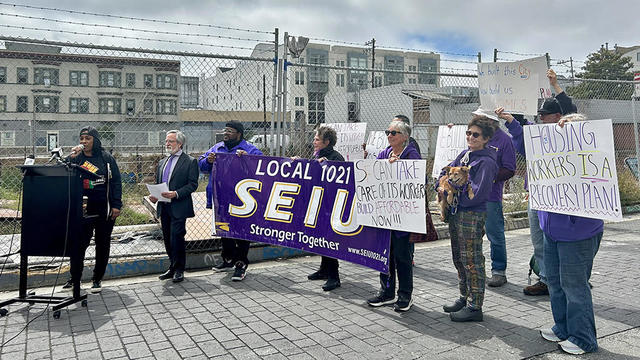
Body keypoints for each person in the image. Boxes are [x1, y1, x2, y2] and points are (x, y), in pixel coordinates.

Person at [497, 68, 577, 296]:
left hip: (562, 195)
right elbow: (520, 135)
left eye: (544, 115)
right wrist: (511, 119)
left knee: (559, 241)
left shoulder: (569, 132)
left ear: (558, 117)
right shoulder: (536, 135)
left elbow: (572, 112)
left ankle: (567, 278)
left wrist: (556, 87)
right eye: (539, 115)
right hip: (537, 194)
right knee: (539, 241)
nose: (540, 118)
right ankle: (546, 279)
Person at [537, 113, 602, 355]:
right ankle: (563, 327)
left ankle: (583, 338)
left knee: (574, 286)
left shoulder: (591, 158)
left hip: (578, 233)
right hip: (552, 231)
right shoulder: (553, 156)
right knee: (554, 281)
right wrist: (513, 121)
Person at [438, 115, 498, 322]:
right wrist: (443, 184)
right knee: (459, 258)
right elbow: (445, 173)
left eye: (476, 135)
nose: (471, 137)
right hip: (457, 213)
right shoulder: (465, 155)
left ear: (486, 138)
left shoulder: (486, 162)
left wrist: (452, 192)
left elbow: (478, 194)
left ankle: (475, 306)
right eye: (468, 133)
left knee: (472, 259)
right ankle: (464, 296)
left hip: (471, 214)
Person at [366, 119, 421, 312]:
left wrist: (397, 167)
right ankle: (387, 292)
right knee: (385, 254)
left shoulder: (410, 153)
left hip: (402, 216)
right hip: (385, 214)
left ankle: (405, 295)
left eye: (393, 133)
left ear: (404, 137)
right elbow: (372, 173)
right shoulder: (384, 153)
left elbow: (415, 179)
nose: (389, 135)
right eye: (387, 132)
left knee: (402, 255)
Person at [198, 120, 263, 281]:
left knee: (241, 232)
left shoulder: (249, 149)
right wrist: (208, 161)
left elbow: (262, 165)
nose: (226, 133)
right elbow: (201, 164)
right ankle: (228, 260)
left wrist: (248, 159)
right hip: (221, 196)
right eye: (225, 130)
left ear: (239, 134)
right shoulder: (217, 148)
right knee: (223, 229)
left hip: (240, 199)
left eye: (230, 131)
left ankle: (240, 264)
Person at [64, 126, 122, 294]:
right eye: (81, 138)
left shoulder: (106, 158)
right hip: (82, 208)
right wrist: (70, 157)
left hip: (104, 207)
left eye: (87, 139)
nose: (83, 142)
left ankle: (97, 278)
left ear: (95, 141)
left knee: (102, 244)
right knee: (79, 244)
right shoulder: (76, 158)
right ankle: (75, 278)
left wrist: (116, 204)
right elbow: (59, 170)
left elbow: (117, 182)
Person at [150, 130, 199, 283]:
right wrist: (155, 195)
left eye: (170, 141)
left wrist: (176, 193)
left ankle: (179, 269)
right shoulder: (163, 162)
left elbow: (192, 185)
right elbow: (160, 183)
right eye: (166, 141)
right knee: (167, 238)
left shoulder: (190, 161)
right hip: (164, 206)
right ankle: (172, 267)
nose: (167, 144)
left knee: (176, 237)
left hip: (179, 206)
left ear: (180, 144)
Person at [305, 126, 345, 291]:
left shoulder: (335, 158)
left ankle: (334, 276)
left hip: (331, 206)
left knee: (329, 241)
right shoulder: (319, 155)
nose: (313, 142)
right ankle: (323, 270)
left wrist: (327, 166)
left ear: (326, 142)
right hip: (319, 204)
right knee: (321, 238)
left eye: (316, 139)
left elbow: (339, 181)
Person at [481, 112, 516, 288]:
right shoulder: (477, 135)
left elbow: (510, 169)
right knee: (472, 235)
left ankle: (499, 271)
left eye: (483, 118)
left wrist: (490, 176)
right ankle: (475, 269)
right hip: (471, 196)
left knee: (495, 234)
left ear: (492, 121)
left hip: (491, 196)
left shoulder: (504, 140)